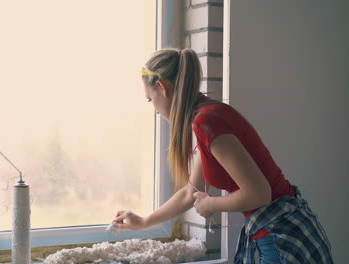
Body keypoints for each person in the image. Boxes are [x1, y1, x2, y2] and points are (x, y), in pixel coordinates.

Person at [112, 48, 333, 263]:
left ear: (162, 87)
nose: (155, 110)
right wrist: (144, 221)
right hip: (284, 230)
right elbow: (191, 191)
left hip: (283, 238)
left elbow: (259, 193)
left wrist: (212, 205)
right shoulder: (205, 116)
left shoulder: (207, 121)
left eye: (150, 100)